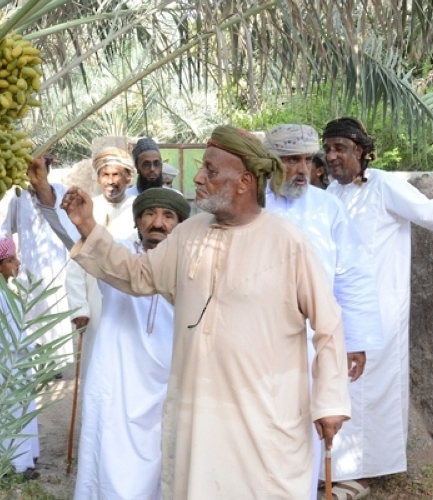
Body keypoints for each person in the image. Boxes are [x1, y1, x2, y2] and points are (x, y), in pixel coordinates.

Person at [60, 125, 351, 499]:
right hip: (199, 417)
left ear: (245, 181)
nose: (198, 177)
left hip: (263, 418)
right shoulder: (189, 233)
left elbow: (328, 324)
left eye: (211, 171)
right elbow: (137, 274)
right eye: (202, 168)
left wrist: (329, 401)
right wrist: (87, 225)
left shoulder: (289, 243)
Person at [322, 117, 433, 498]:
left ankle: (364, 472)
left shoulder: (384, 185)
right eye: (328, 148)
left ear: (360, 151)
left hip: (381, 310)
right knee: (341, 388)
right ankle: (336, 467)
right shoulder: (332, 197)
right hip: (339, 309)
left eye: (340, 148)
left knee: (370, 389)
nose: (332, 156)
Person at [263, 124, 383, 500]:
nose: (300, 169)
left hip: (315, 341)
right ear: (269, 162)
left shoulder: (328, 207)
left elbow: (352, 276)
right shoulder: (251, 205)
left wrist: (357, 340)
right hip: (258, 342)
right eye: (289, 159)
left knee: (308, 429)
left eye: (305, 160)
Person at [72, 188, 191, 500]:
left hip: (166, 381)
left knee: (163, 458)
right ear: (138, 221)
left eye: (168, 216)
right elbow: (75, 238)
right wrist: (56, 203)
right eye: (150, 214)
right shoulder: (118, 252)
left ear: (180, 225)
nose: (158, 223)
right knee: (111, 459)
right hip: (118, 381)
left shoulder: (190, 265)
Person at [64, 148, 138, 376]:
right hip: (95, 301)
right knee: (96, 364)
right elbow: (76, 261)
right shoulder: (87, 208)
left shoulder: (140, 208)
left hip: (131, 296)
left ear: (128, 177)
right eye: (105, 175)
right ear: (97, 178)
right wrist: (79, 308)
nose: (111, 181)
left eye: (117, 175)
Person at [2, 154, 76, 364]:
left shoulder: (61, 192)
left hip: (58, 269)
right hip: (29, 270)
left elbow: (67, 224)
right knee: (31, 317)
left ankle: (56, 362)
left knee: (55, 316)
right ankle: (36, 362)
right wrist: (6, 258)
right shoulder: (18, 197)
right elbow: (7, 228)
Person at [0, 236, 40, 480]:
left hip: (17, 361)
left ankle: (24, 459)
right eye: (11, 260)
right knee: (11, 410)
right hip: (6, 364)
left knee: (21, 408)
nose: (17, 263)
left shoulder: (4, 291)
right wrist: (24, 346)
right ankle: (14, 465)